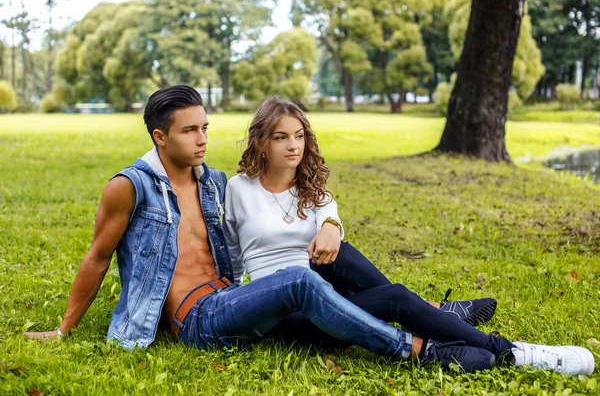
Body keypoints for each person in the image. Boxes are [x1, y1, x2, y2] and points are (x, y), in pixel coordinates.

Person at [24, 85, 498, 373]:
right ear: (159, 136)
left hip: (230, 298)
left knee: (317, 271)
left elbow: (287, 199)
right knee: (299, 280)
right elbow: (97, 257)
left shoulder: (213, 183)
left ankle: (432, 316)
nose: (203, 139)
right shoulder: (129, 187)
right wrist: (64, 329)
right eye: (190, 131)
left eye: (205, 127)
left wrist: (330, 219)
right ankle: (418, 350)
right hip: (196, 320)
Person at [222, 95, 596, 376]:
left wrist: (330, 227)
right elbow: (234, 258)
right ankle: (504, 350)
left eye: (299, 136)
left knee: (345, 254)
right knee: (395, 297)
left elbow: (328, 210)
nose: (293, 146)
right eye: (281, 137)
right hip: (290, 314)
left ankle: (447, 323)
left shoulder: (310, 187)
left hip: (330, 294)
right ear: (262, 142)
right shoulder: (239, 189)